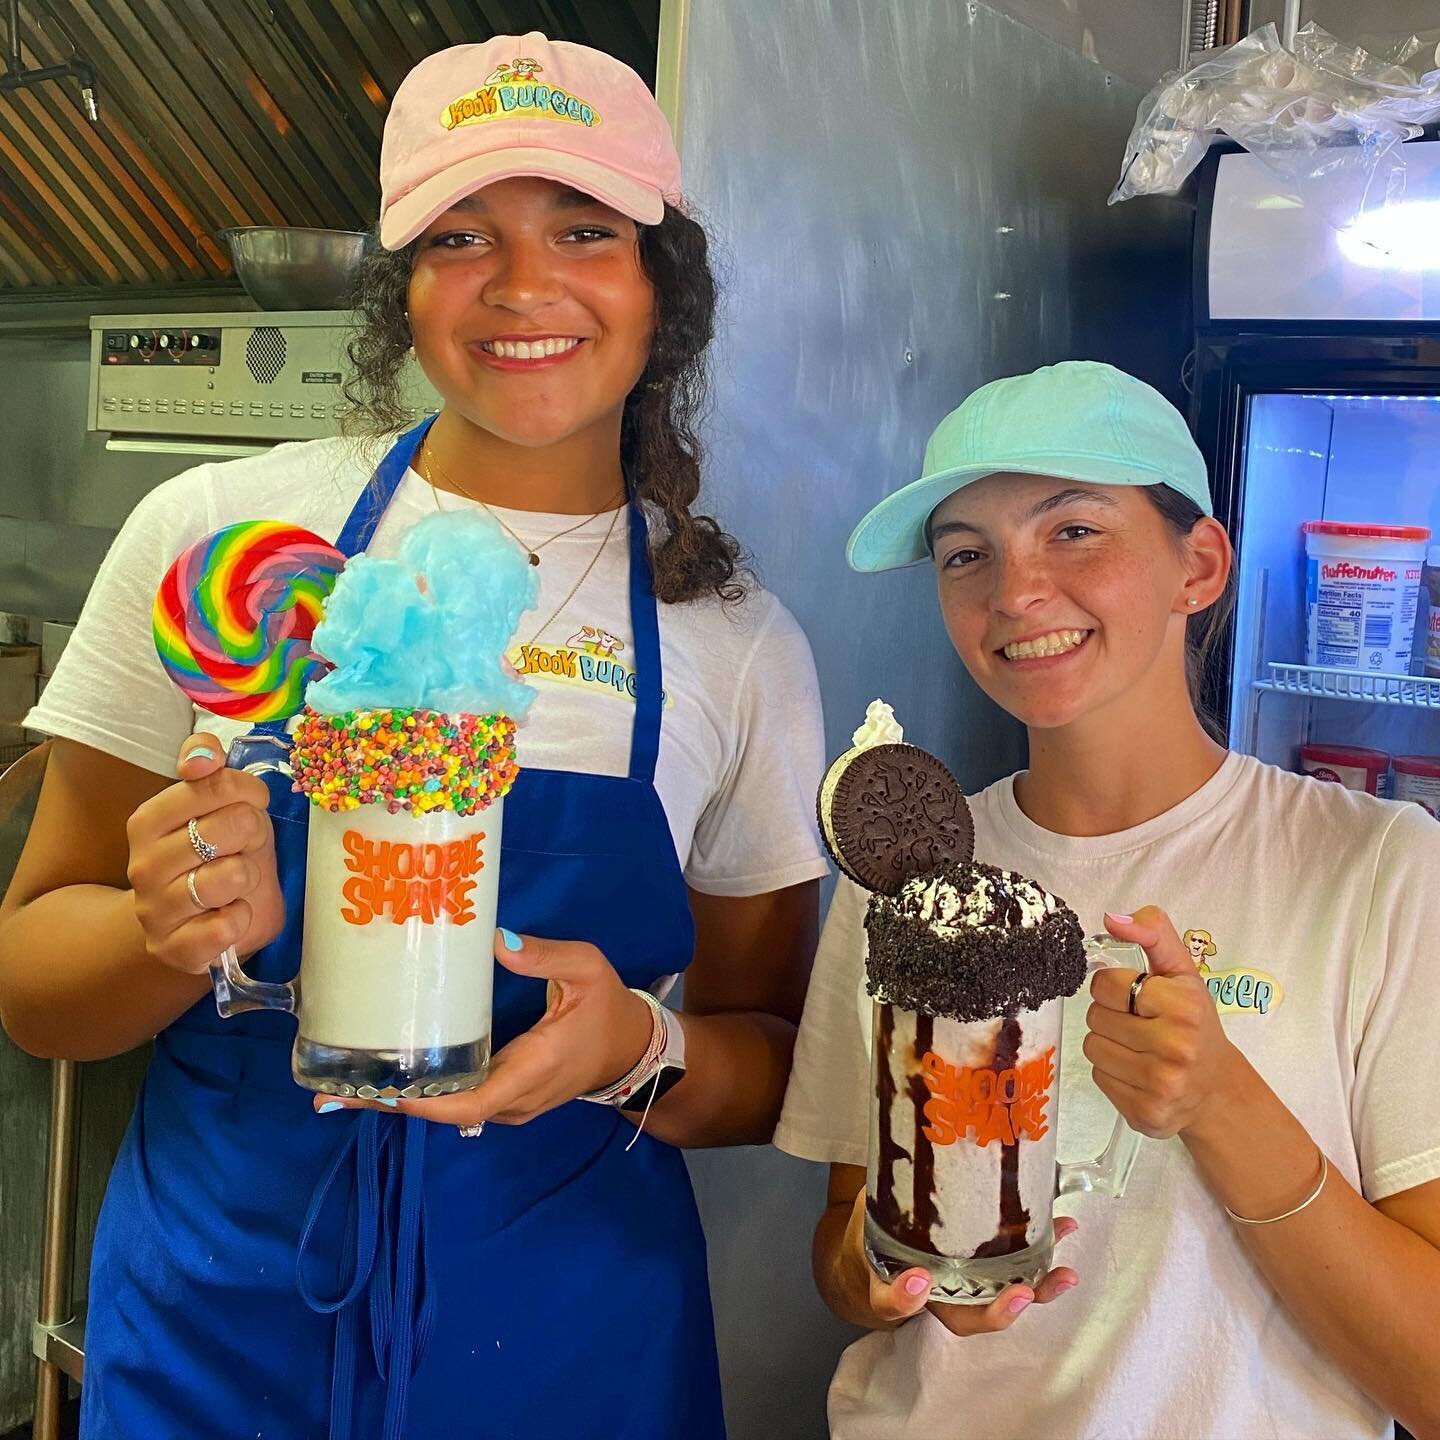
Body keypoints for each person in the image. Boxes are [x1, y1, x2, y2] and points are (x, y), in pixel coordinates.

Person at [0, 34, 829, 1440]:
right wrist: (166, 926)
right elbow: (32, 984)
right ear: (403, 289)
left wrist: (633, 1044)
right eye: (460, 236)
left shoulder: (733, 642)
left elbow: (772, 1061)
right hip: (226, 1304)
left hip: (570, 1332)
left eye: (584, 230)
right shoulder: (224, 541)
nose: (522, 285)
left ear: (658, 284)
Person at [775, 362, 1440, 1439]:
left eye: (1073, 531)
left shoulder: (1378, 873)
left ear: (1201, 563)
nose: (1014, 591)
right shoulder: (909, 888)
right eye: (964, 554)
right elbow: (844, 1253)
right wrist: (903, 1270)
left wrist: (1223, 1104)